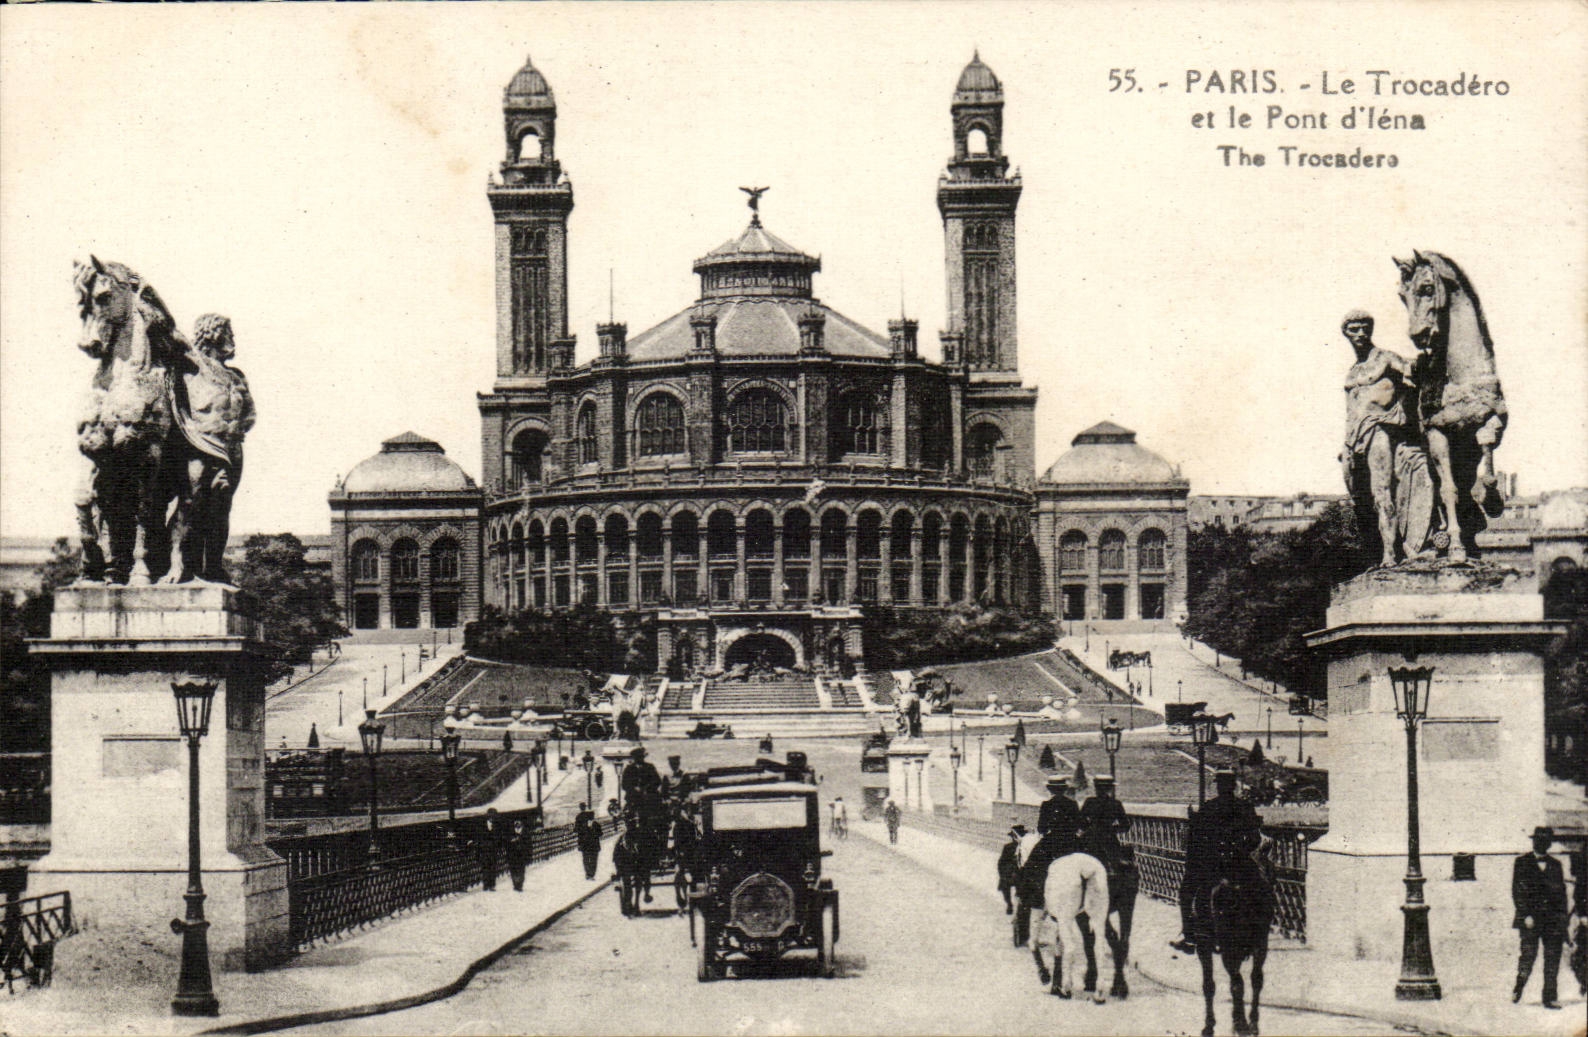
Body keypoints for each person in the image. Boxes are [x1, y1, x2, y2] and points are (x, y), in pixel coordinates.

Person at [166, 313, 255, 583]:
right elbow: (168, 330)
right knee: (192, 502)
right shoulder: (192, 362)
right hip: (199, 445)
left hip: (231, 449)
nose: (233, 340)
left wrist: (237, 428)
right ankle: (180, 564)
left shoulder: (236, 376)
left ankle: (213, 566)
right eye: (229, 333)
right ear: (214, 335)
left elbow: (250, 413)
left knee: (221, 508)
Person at [1338, 309, 1431, 567]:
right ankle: (1374, 552)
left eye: (1364, 327)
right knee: (1360, 500)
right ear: (1345, 333)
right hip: (1353, 437)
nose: (1360, 333)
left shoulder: (1385, 358)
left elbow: (1413, 369)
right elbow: (1351, 408)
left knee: (1382, 492)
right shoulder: (1353, 371)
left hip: (1379, 429)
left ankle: (1390, 554)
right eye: (1353, 329)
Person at [1170, 770, 1260, 954]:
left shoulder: (1209, 807)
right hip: (1239, 863)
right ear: (1234, 786)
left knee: (1187, 893)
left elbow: (1197, 840)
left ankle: (1189, 937)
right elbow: (1255, 839)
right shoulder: (1245, 807)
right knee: (1259, 890)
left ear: (1218, 786)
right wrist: (1239, 851)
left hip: (1212, 864)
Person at [1512, 826, 1568, 1009]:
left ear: (1549, 844)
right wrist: (1525, 914)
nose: (1542, 844)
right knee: (1528, 955)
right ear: (1534, 841)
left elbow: (1562, 894)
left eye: (1546, 841)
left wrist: (1563, 920)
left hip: (1552, 921)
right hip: (1531, 919)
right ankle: (1519, 985)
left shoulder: (1555, 865)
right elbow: (1517, 891)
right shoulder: (1522, 862)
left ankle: (1550, 997)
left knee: (1552, 959)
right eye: (1539, 840)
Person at [1078, 775, 1132, 870]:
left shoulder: (1090, 802)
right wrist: (1112, 829)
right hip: (1109, 839)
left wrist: (1089, 827)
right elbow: (1125, 825)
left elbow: (1080, 822)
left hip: (1091, 839)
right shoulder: (1116, 803)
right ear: (1110, 788)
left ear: (1095, 787)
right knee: (1117, 865)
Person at [997, 823, 1027, 915]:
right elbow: (1001, 862)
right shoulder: (1008, 847)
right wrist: (1004, 874)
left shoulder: (1025, 846)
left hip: (1021, 874)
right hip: (1011, 874)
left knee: (1014, 886)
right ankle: (1009, 904)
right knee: (1005, 884)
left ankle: (1016, 904)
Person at [473, 808, 504, 891]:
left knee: (493, 867)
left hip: (493, 850)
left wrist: (499, 848)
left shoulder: (497, 826)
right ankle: (486, 884)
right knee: (485, 867)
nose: (492, 818)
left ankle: (492, 885)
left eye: (494, 816)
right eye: (491, 816)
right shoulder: (481, 826)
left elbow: (500, 838)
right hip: (484, 850)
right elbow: (479, 837)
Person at [575, 801, 602, 880]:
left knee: (586, 859)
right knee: (593, 860)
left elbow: (576, 830)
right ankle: (591, 874)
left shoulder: (579, 819)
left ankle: (589, 874)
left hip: (585, 845)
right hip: (593, 845)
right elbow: (600, 834)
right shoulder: (596, 824)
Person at [505, 819, 528, 892]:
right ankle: (515, 884)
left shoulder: (525, 834)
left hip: (522, 855)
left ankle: (519, 884)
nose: (517, 827)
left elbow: (529, 845)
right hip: (512, 855)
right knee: (513, 870)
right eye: (516, 825)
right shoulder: (510, 834)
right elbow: (507, 845)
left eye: (519, 825)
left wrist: (528, 855)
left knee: (521, 870)